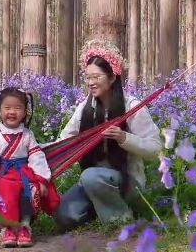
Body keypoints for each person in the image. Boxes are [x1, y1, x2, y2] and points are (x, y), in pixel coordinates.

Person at [55, 40, 162, 231]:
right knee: (63, 215)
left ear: (112, 77)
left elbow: (155, 149)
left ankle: (122, 223)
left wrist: (124, 138)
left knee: (90, 177)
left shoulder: (132, 107)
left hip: (128, 182)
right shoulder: (85, 108)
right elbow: (64, 142)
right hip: (93, 180)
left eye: (96, 77)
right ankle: (102, 205)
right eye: (87, 77)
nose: (91, 83)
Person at [0, 87, 60, 248]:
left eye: (17, 108)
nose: (12, 112)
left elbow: (37, 156)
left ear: (25, 112)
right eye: (7, 108)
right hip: (3, 173)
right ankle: (8, 227)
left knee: (30, 190)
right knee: (6, 189)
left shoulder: (27, 134)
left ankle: (24, 226)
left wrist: (42, 180)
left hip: (24, 172)